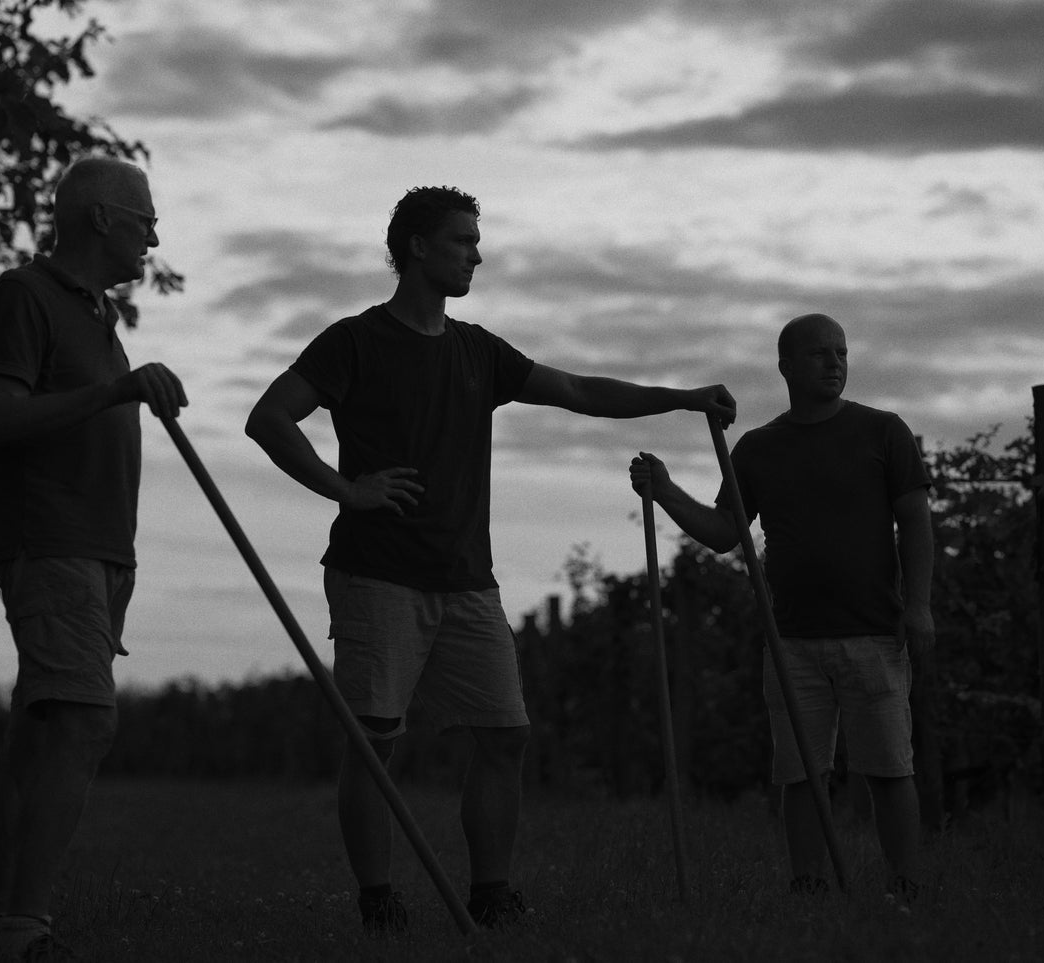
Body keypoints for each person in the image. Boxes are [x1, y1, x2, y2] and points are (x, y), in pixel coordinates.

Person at [245, 186, 735, 933]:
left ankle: (491, 891)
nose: (477, 253)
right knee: (376, 742)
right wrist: (346, 489)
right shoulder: (354, 341)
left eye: (475, 240)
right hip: (376, 571)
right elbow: (269, 416)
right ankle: (377, 900)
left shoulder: (478, 350)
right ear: (416, 246)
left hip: (468, 579)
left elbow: (576, 390)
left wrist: (682, 397)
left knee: (504, 735)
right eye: (461, 240)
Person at [629, 312, 933, 901]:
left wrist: (918, 607)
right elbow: (724, 532)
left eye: (841, 353)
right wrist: (663, 489)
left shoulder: (883, 431)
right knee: (801, 774)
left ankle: (907, 887)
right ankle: (808, 889)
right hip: (790, 637)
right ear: (786, 366)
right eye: (820, 354)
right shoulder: (759, 447)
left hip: (873, 632)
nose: (835, 363)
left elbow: (915, 518)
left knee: (891, 768)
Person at [0, 156, 187, 961]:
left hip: (97, 550)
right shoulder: (24, 297)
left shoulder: (98, 313)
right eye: (144, 220)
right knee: (85, 720)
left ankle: (0, 923)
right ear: (100, 217)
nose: (154, 236)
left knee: (39, 728)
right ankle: (23, 926)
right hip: (50, 539)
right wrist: (115, 393)